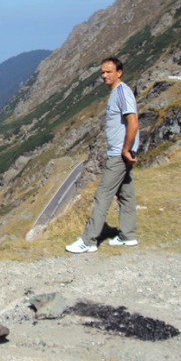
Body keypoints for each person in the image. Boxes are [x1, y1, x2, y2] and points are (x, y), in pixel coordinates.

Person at [66, 57, 139, 253]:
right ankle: (128, 235)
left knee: (102, 196)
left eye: (109, 72)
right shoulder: (117, 92)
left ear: (119, 72)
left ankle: (88, 241)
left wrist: (125, 149)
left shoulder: (122, 92)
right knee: (125, 194)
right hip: (122, 153)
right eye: (103, 72)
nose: (105, 76)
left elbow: (133, 122)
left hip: (119, 154)